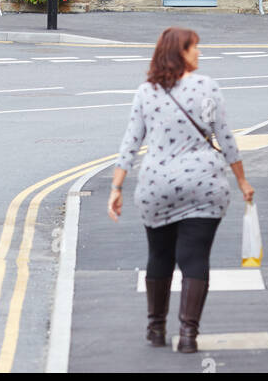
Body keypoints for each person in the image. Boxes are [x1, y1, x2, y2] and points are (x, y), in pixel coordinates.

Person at [109, 27, 254, 352]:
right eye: (193, 48)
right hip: (204, 186)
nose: (199, 53)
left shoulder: (147, 92)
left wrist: (116, 187)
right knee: (195, 258)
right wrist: (242, 181)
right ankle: (188, 335)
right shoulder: (207, 88)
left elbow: (130, 143)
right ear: (179, 52)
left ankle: (155, 329)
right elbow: (225, 138)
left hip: (157, 187)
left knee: (159, 255)